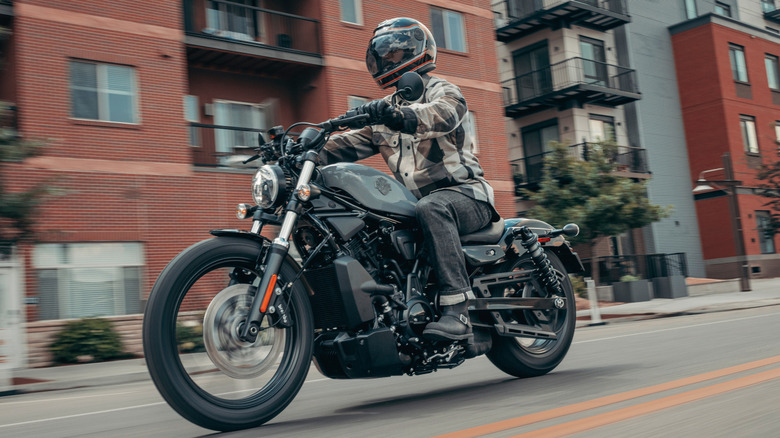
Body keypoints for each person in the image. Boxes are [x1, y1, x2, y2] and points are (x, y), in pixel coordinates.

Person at [320, 17, 498, 342]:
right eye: (382, 55)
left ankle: (458, 310)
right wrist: (303, 147)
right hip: (421, 207)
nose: (387, 60)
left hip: (468, 197)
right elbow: (345, 144)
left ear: (415, 49)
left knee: (432, 207)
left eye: (394, 53)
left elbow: (445, 114)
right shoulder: (387, 108)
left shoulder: (441, 90)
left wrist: (402, 117)